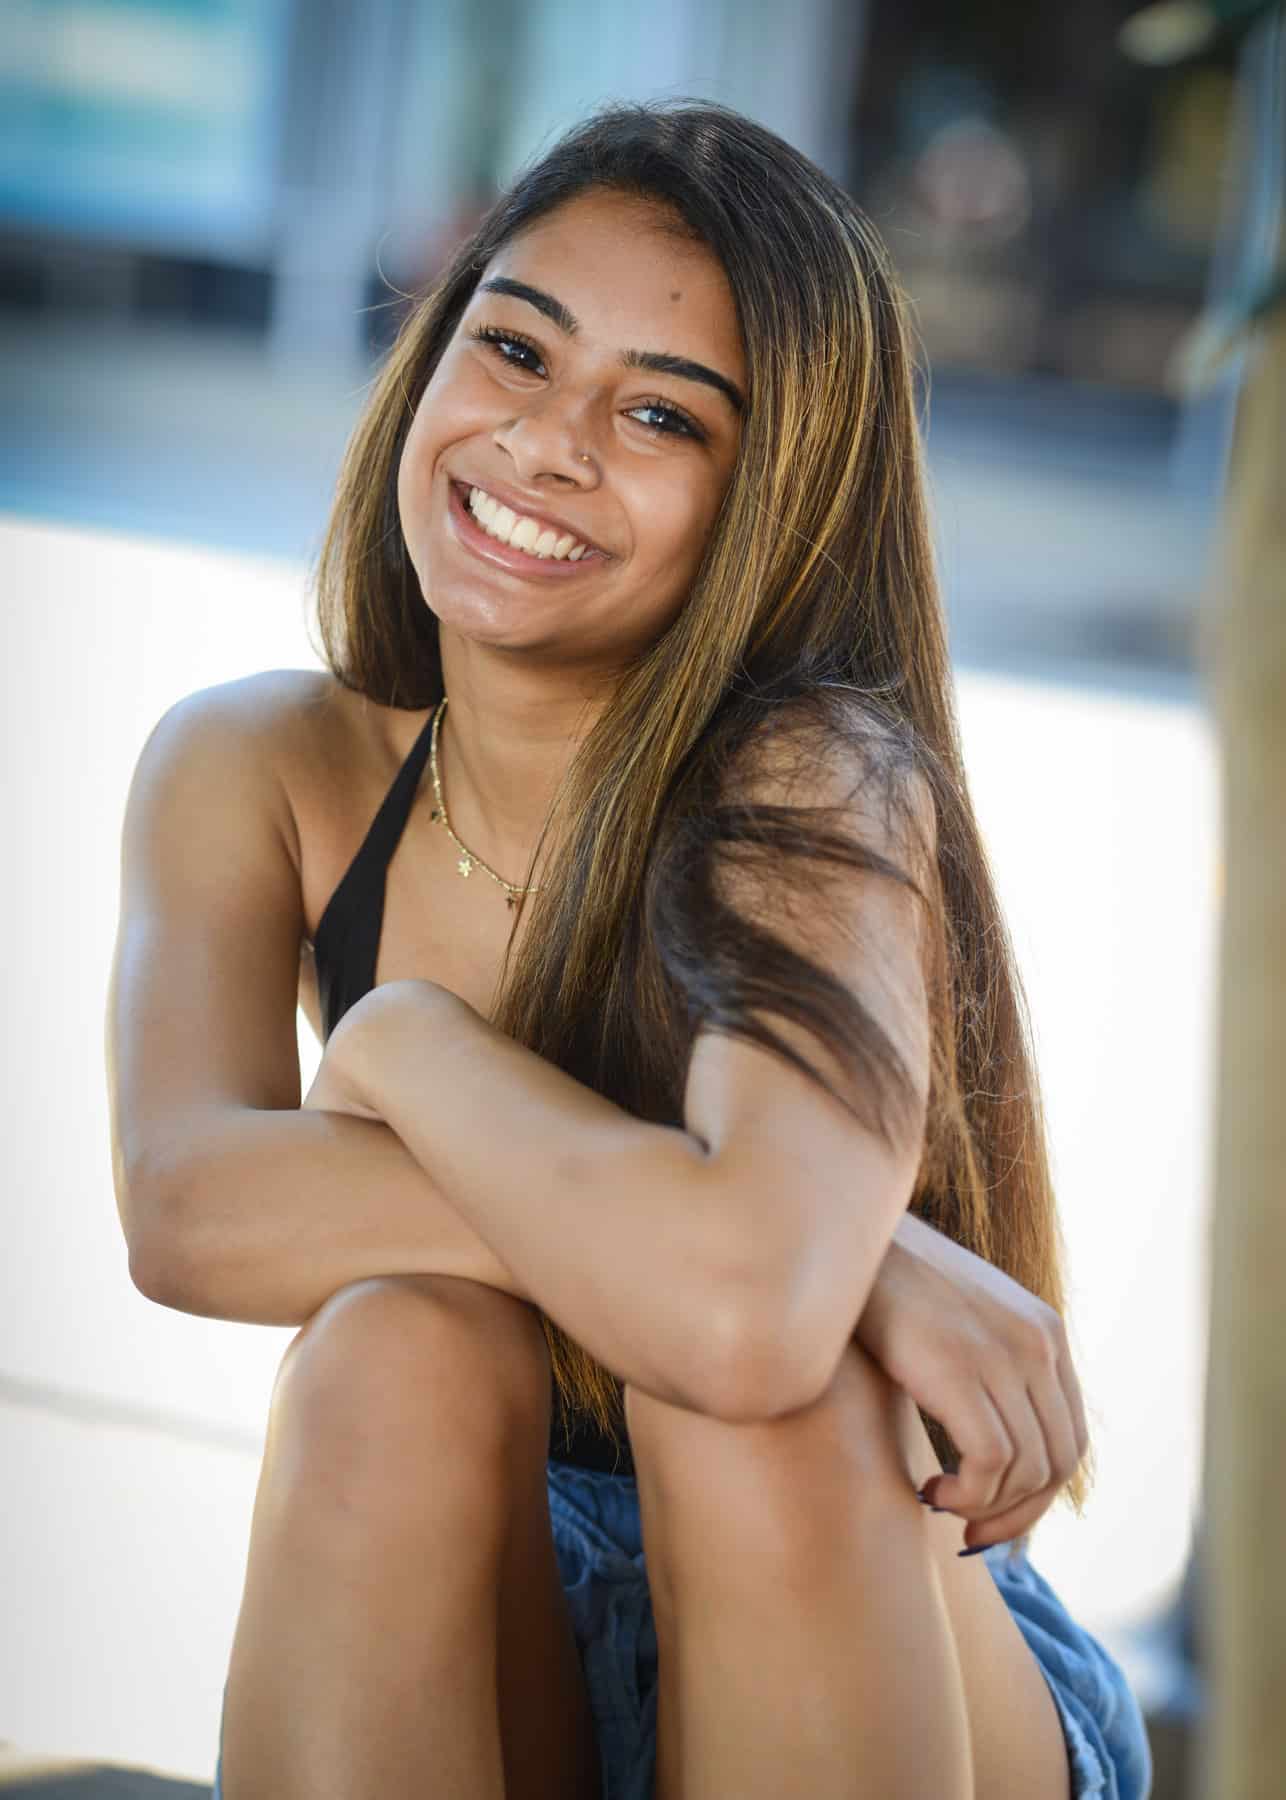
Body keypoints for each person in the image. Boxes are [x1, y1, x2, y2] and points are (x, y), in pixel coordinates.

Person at [106, 100, 1153, 1800]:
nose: (545, 442)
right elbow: (188, 1208)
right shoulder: (263, 766)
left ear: (770, 503)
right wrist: (841, 1258)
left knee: (758, 1398)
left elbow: (738, 1329)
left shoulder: (811, 781)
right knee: (392, 1348)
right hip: (486, 1582)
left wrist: (404, 1047)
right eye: (514, 347)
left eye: (660, 413)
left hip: (866, 1606)